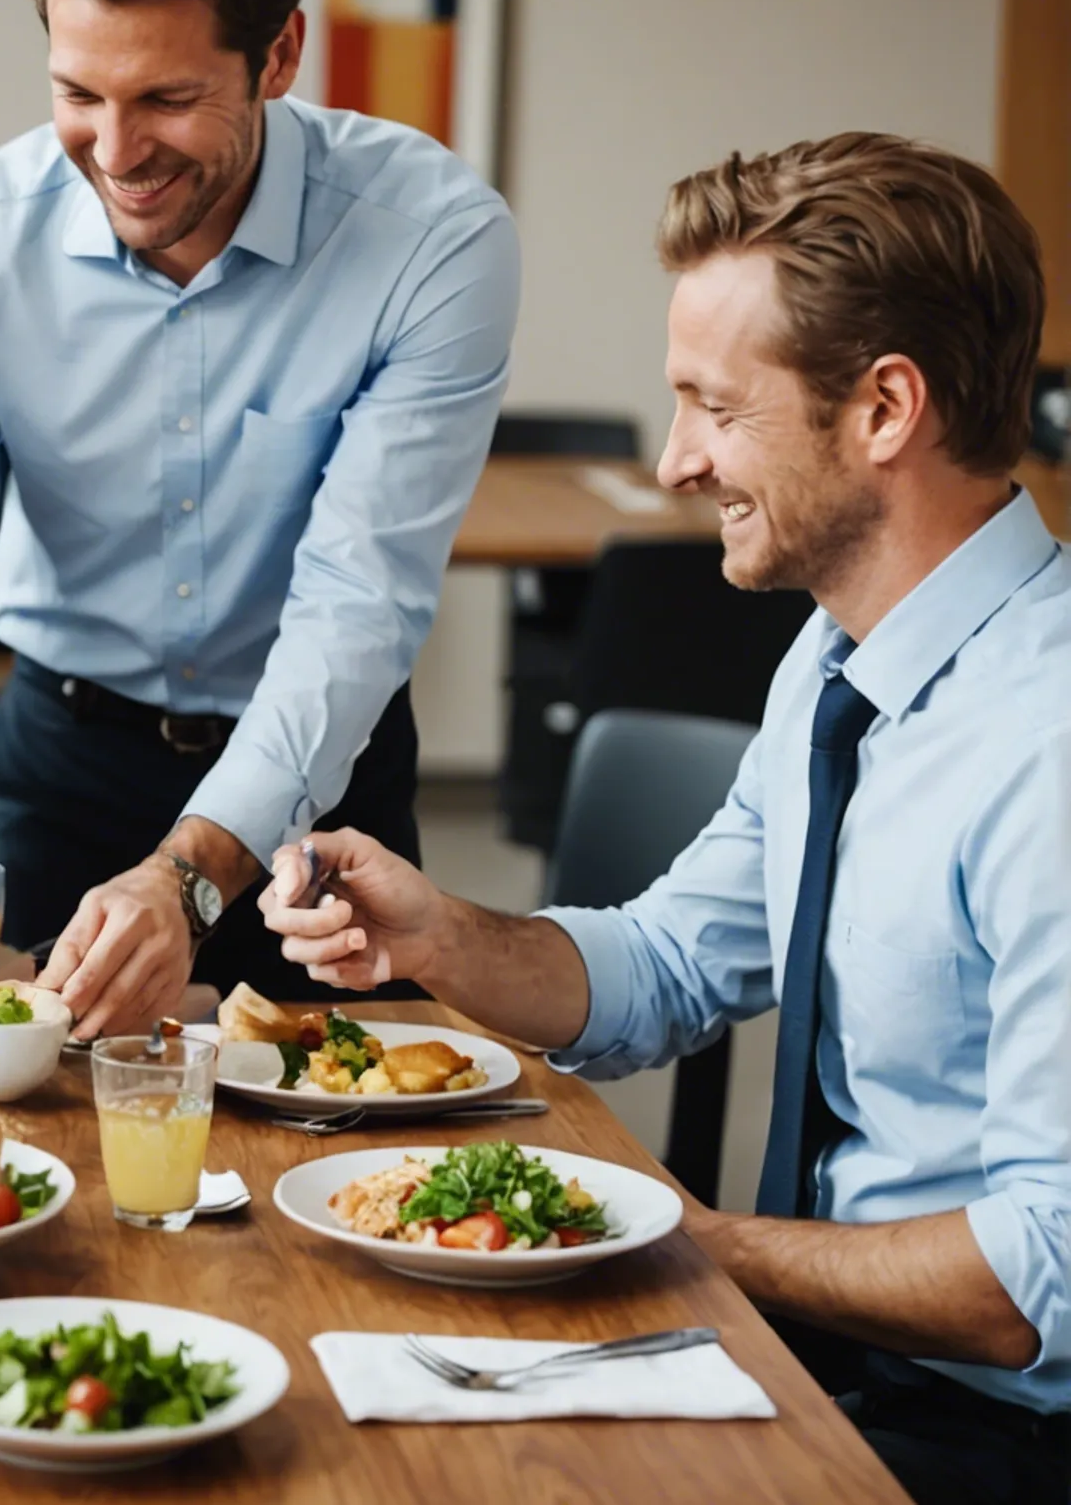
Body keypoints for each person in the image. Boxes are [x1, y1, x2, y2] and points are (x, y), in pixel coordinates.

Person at [262, 134, 1068, 1505]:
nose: (677, 461)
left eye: (711, 404)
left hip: (985, 1439)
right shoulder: (834, 660)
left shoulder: (1045, 749)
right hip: (821, 1357)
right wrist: (439, 931)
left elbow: (1041, 1278)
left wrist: (692, 1241)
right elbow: (675, 965)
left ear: (884, 408)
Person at [0, 0, 516, 1038]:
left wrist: (192, 875)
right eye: (78, 94)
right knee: (46, 1159)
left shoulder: (432, 238)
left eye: (168, 98)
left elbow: (357, 605)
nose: (117, 147)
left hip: (326, 784)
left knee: (342, 1155)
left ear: (282, 53)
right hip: (59, 764)